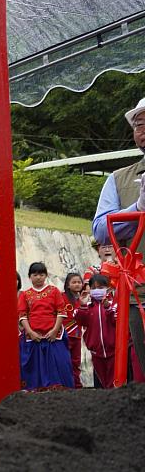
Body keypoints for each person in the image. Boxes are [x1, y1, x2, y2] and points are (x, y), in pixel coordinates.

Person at [92, 96, 145, 381]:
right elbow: (100, 229)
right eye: (139, 124)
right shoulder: (119, 179)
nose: (143, 130)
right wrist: (136, 208)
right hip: (140, 292)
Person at [17, 262, 74, 390]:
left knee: (60, 363)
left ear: (46, 276)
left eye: (41, 274)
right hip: (33, 336)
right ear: (29, 276)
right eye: (35, 274)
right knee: (34, 368)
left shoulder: (54, 291)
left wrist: (54, 330)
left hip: (54, 336)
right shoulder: (25, 295)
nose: (38, 277)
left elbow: (61, 311)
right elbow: (22, 315)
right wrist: (30, 332)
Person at [75, 274, 117, 388]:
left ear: (108, 288)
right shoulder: (87, 305)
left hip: (114, 352)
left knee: (114, 383)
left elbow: (117, 321)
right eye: (93, 288)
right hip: (96, 352)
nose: (97, 290)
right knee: (101, 383)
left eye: (100, 287)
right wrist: (82, 305)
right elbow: (80, 320)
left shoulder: (114, 303)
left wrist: (108, 307)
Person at [62, 272, 84, 388]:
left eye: (79, 282)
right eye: (74, 282)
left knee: (76, 362)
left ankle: (76, 385)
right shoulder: (62, 297)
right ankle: (66, 384)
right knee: (64, 361)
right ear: (68, 285)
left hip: (77, 335)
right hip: (64, 336)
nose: (77, 285)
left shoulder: (83, 299)